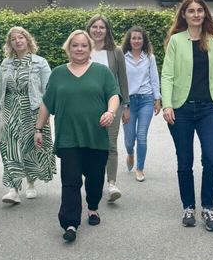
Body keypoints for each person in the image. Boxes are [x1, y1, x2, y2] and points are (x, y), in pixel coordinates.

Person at [34, 30, 119, 242]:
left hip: (96, 136)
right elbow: (47, 102)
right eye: (75, 45)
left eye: (83, 45)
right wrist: (38, 128)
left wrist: (110, 112)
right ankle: (70, 222)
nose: (79, 49)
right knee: (70, 180)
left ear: (90, 49)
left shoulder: (102, 72)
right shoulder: (58, 73)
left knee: (94, 177)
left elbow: (113, 95)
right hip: (68, 137)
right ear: (68, 48)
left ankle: (92, 207)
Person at [161, 0, 213, 231]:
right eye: (191, 11)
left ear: (205, 14)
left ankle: (208, 208)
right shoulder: (176, 41)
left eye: (200, 10)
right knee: (184, 160)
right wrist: (168, 104)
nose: (196, 14)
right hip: (181, 109)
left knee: (211, 158)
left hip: (209, 108)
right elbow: (167, 74)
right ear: (184, 15)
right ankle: (188, 206)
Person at [0, 27, 56, 204]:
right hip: (10, 109)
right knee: (9, 146)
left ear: (27, 40)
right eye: (13, 39)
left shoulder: (39, 62)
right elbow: (0, 89)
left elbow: (48, 90)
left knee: (29, 147)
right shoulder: (6, 64)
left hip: (32, 110)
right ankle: (13, 188)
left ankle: (31, 183)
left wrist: (46, 112)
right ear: (10, 43)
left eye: (21, 38)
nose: (17, 41)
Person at [86, 15, 129, 202]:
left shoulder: (115, 51)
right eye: (94, 26)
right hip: (87, 107)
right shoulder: (82, 50)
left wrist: (125, 105)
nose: (97, 30)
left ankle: (111, 184)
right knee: (89, 145)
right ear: (88, 29)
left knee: (110, 144)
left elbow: (123, 79)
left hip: (112, 105)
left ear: (107, 30)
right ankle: (91, 182)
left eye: (101, 27)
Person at [121, 26, 162, 182]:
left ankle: (140, 168)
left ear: (143, 40)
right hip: (128, 102)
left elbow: (154, 78)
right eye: (134, 38)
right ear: (129, 40)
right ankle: (130, 153)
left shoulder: (149, 57)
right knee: (129, 139)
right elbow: (119, 81)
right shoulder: (123, 57)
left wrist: (157, 99)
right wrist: (123, 105)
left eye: (139, 38)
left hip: (146, 99)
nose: (137, 41)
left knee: (142, 136)